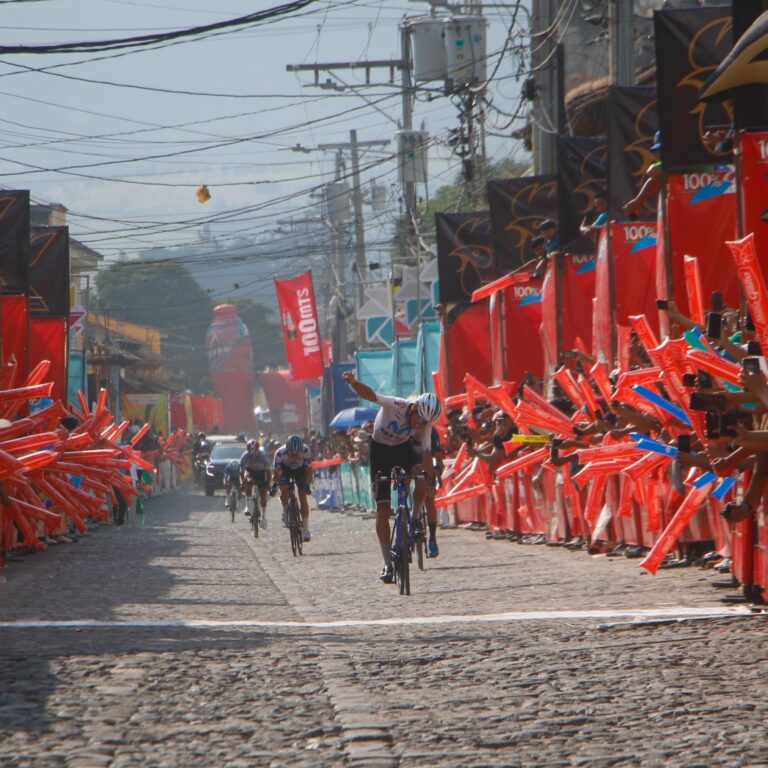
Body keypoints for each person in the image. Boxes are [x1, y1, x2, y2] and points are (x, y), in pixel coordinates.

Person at [341, 369, 442, 584]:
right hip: (380, 451)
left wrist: (427, 474)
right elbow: (370, 395)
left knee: (423, 478)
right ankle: (387, 563)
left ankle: (414, 518)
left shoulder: (425, 423)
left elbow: (425, 453)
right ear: (413, 408)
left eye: (424, 424)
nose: (419, 425)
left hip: (403, 449)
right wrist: (353, 382)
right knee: (383, 509)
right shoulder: (397, 404)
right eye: (418, 420)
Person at [272, 434, 313, 541]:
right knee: (284, 489)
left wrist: (307, 485)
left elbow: (309, 471)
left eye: (296, 453)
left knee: (303, 496)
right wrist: (276, 484)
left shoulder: (306, 450)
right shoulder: (280, 453)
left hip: (301, 470)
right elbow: (276, 473)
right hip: (286, 470)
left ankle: (305, 529)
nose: (294, 456)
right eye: (292, 454)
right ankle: (285, 512)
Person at [623, 131, 661, 217]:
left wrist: (638, 201)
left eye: (662, 149)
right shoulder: (662, 172)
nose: (659, 153)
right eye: (658, 150)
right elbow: (654, 179)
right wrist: (638, 201)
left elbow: (652, 171)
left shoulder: (674, 163)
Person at [240, 438, 271, 528]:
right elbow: (241, 472)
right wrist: (242, 483)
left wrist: (268, 484)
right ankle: (248, 506)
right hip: (250, 472)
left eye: (255, 455)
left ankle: (264, 516)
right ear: (248, 451)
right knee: (249, 482)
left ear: (258, 450)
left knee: (263, 494)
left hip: (261, 473)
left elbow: (268, 472)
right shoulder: (245, 456)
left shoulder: (263, 456)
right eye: (251, 455)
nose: (253, 457)